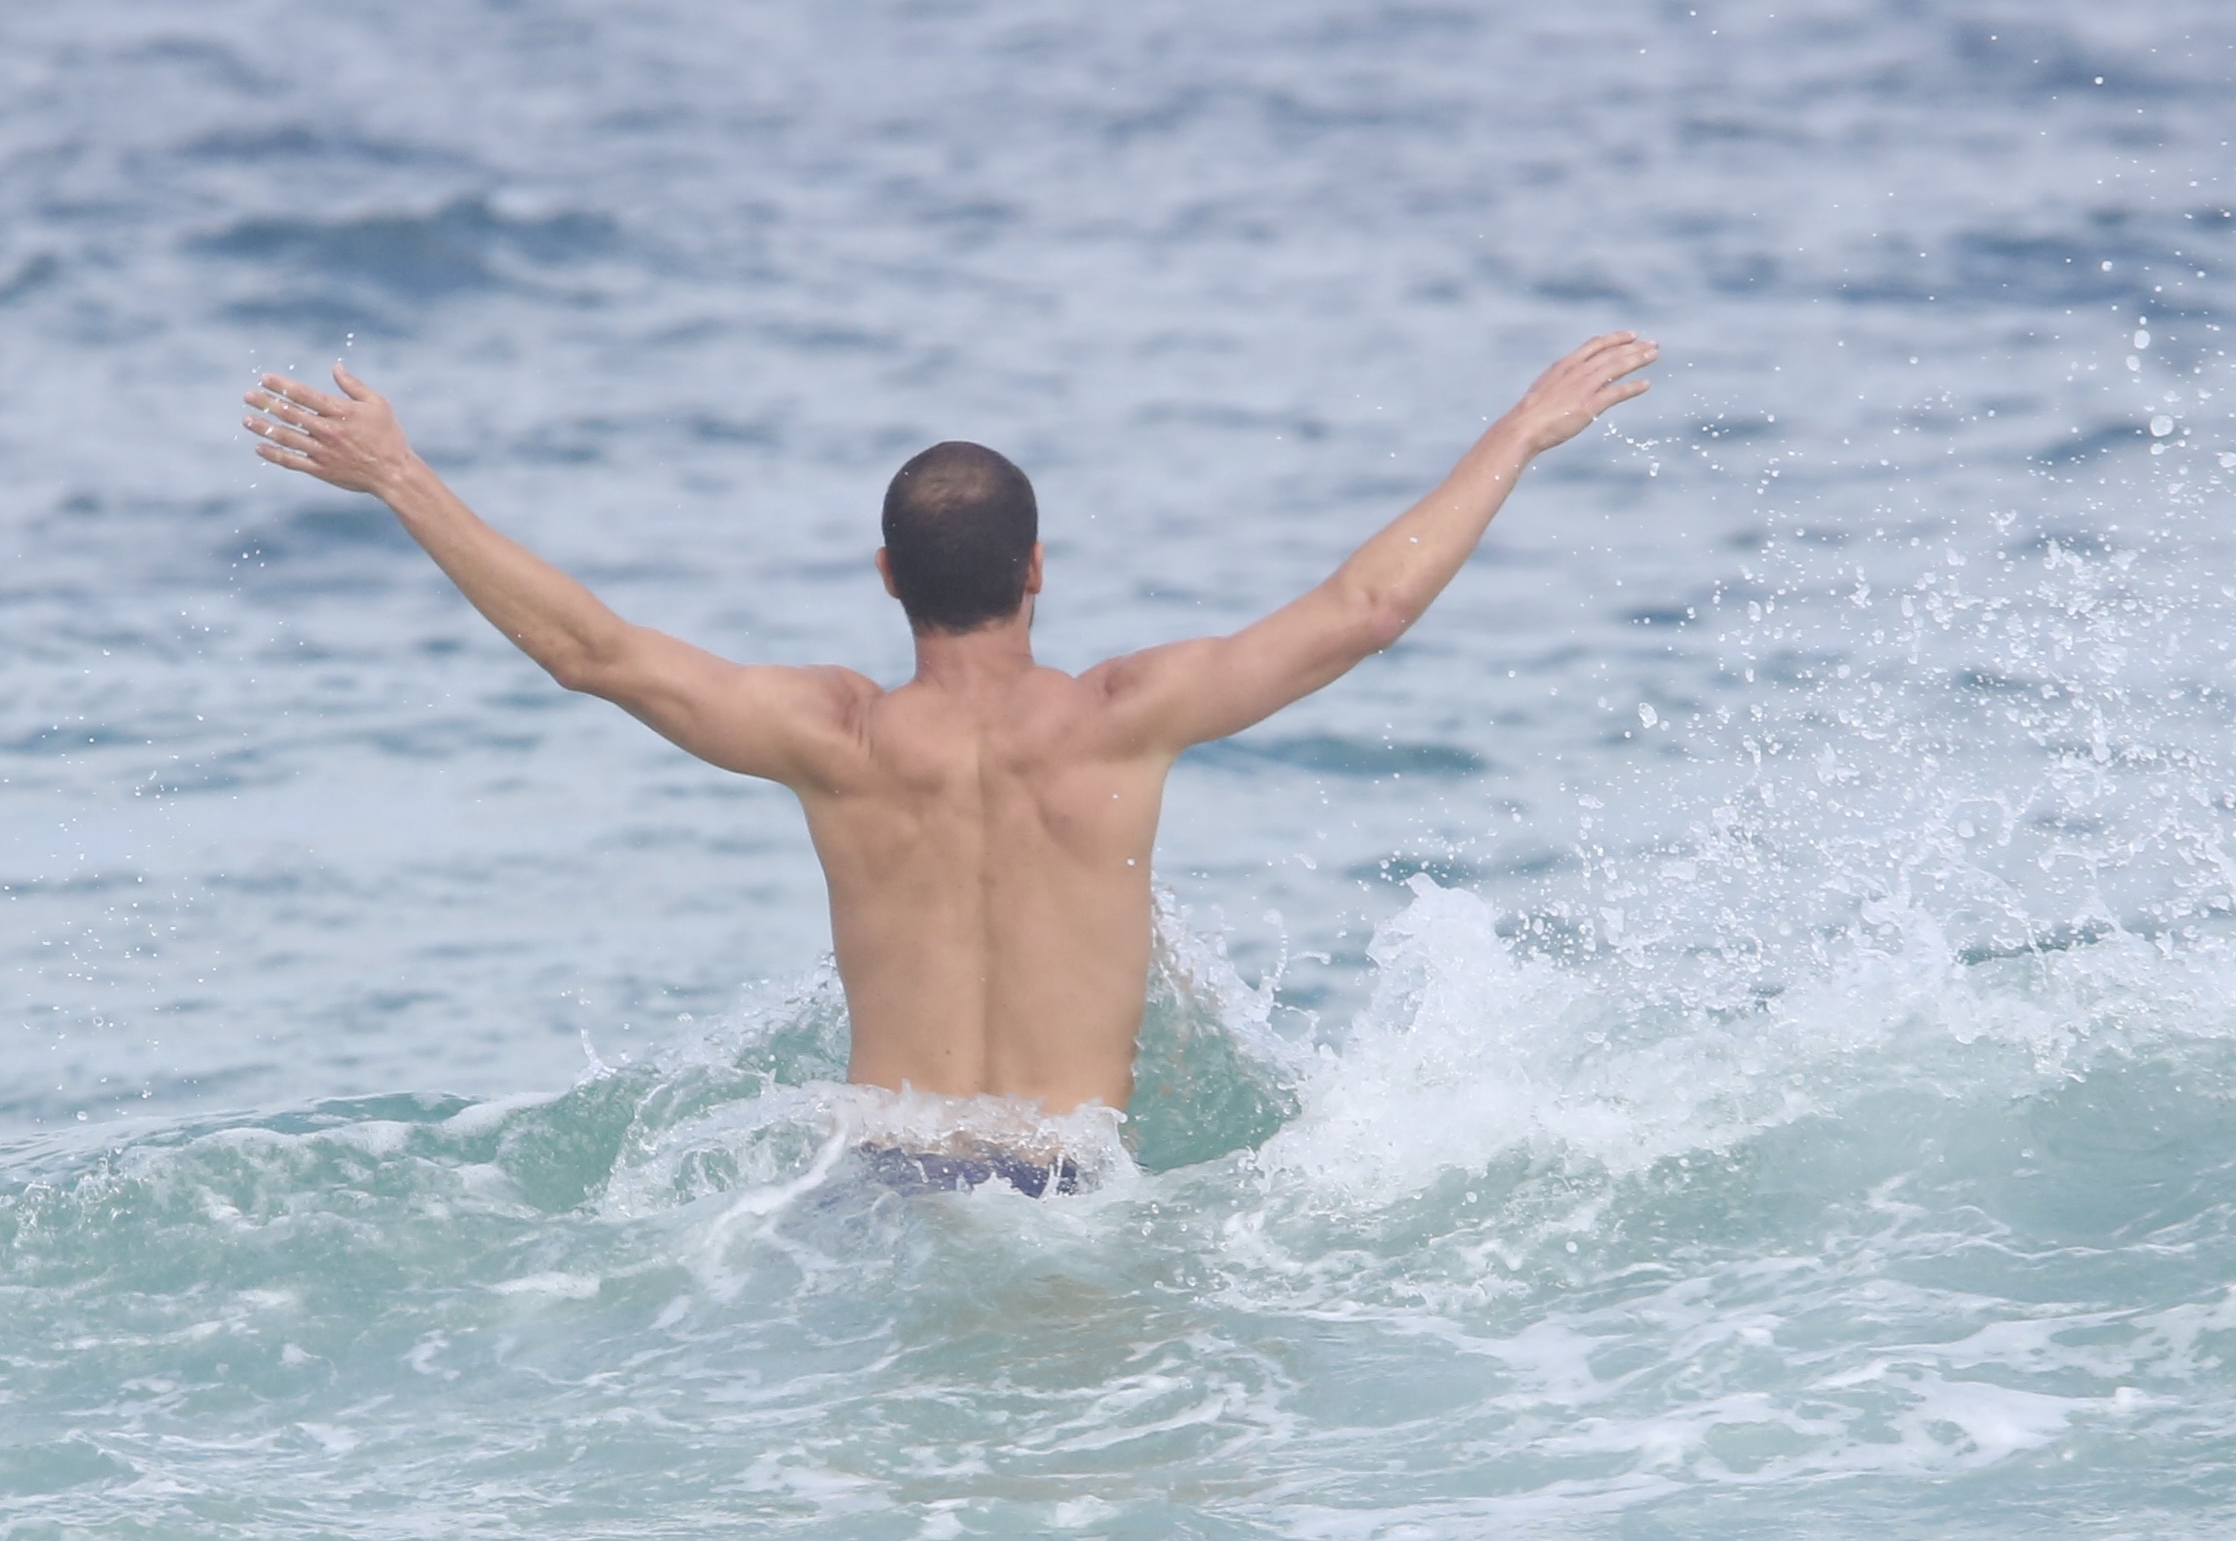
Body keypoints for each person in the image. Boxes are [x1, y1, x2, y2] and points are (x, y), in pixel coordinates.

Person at [241, 332, 1657, 1191]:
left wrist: (400, 476)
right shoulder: (1122, 714)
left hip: (875, 1175)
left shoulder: (835, 737)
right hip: (1068, 1181)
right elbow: (1369, 609)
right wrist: (1518, 431)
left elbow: (592, 653)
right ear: (1039, 569)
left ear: (884, 575)